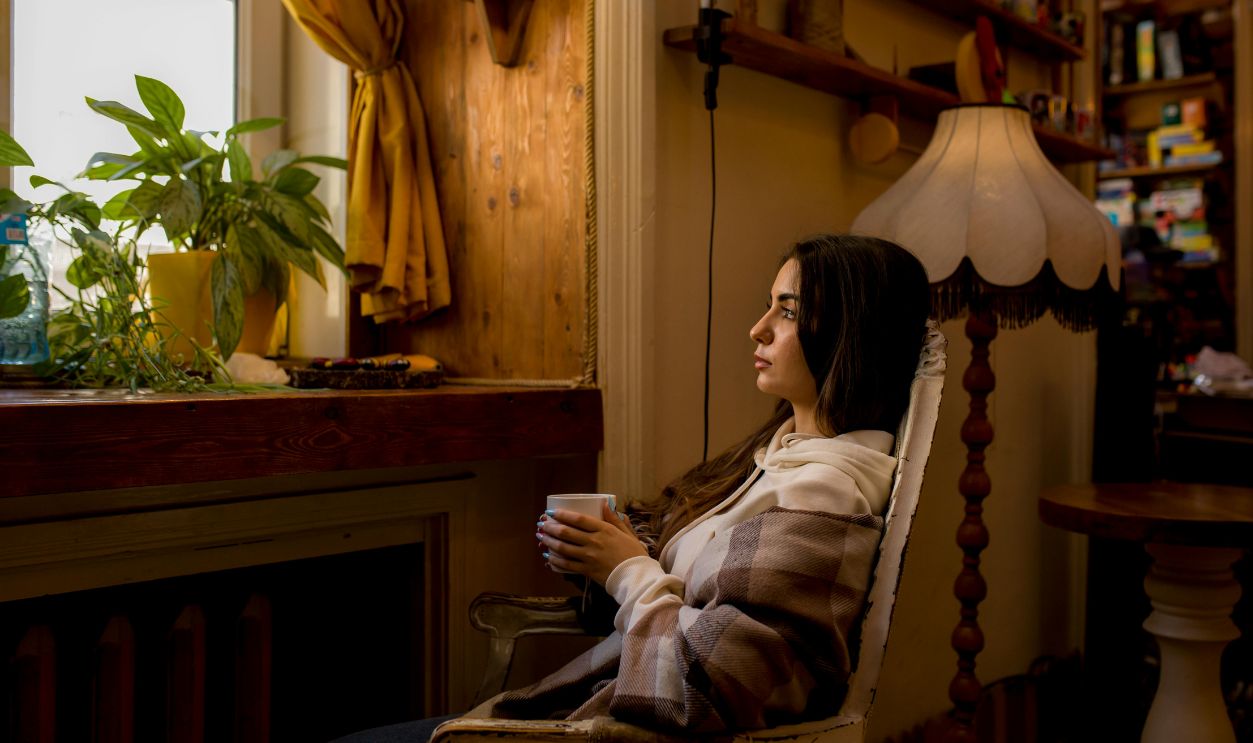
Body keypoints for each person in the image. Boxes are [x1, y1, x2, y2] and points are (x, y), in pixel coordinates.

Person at [333, 233, 931, 742]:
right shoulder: (784, 461)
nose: (758, 329)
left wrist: (627, 571)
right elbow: (705, 597)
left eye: (790, 311)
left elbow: (701, 691)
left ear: (852, 334)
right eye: (767, 306)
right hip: (595, 709)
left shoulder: (822, 495)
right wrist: (610, 554)